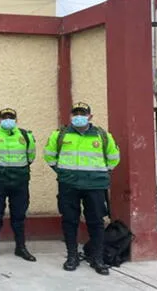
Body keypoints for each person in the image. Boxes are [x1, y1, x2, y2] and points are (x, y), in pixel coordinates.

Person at [44, 102, 120, 275]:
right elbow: (49, 155)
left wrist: (100, 173)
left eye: (83, 113)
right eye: (76, 113)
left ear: (90, 116)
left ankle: (97, 258)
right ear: (71, 116)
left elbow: (114, 158)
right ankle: (72, 256)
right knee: (70, 221)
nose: (79, 116)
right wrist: (62, 172)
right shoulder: (60, 135)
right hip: (69, 185)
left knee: (96, 222)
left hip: (95, 186)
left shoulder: (102, 135)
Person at [0, 108, 37, 262]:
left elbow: (31, 157)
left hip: (20, 181)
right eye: (5, 117)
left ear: (16, 120)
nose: (8, 120)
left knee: (19, 215)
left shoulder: (26, 135)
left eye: (11, 117)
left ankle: (21, 247)